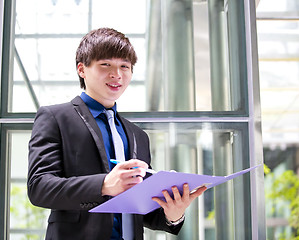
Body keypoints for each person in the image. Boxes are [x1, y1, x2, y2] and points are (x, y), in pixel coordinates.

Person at [27, 27, 206, 240]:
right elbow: (39, 186)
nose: (117, 74)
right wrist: (104, 185)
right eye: (106, 65)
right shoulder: (55, 117)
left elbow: (142, 210)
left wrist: (172, 213)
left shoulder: (138, 135)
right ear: (82, 69)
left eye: (125, 66)